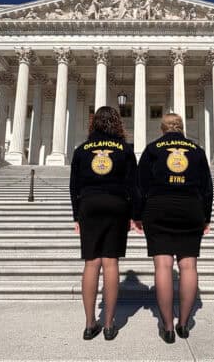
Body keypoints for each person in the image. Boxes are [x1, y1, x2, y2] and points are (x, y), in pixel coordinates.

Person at [133, 113, 213, 344]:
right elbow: (207, 188)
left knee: (163, 265)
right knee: (188, 265)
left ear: (162, 128)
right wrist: (206, 217)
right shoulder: (196, 150)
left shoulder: (153, 148)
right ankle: (184, 323)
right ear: (181, 127)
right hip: (191, 208)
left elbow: (140, 185)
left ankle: (167, 326)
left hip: (158, 207)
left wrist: (137, 215)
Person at [70, 106, 137, 341]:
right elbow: (133, 184)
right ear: (116, 123)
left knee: (91, 263)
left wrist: (76, 215)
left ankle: (90, 324)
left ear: (94, 123)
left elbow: (74, 185)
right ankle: (109, 325)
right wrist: (133, 214)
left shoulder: (82, 150)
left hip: (89, 203)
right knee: (110, 263)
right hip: (116, 203)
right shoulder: (124, 149)